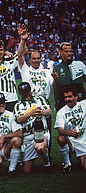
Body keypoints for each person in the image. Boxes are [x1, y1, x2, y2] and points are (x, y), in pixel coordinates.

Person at [17, 25, 54, 160]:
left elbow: (53, 84)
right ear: (30, 59)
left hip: (44, 103)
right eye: (34, 58)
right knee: (28, 130)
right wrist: (23, 40)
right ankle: (25, 156)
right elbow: (20, 54)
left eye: (38, 58)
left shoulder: (45, 71)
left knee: (46, 130)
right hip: (29, 103)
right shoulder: (25, 70)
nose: (37, 60)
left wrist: (55, 78)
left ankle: (46, 156)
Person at [14, 82, 53, 174]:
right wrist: (30, 113)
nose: (26, 95)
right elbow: (19, 119)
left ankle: (47, 164)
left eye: (27, 92)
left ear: (30, 91)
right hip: (28, 136)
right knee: (27, 171)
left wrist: (42, 112)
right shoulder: (18, 105)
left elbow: (49, 111)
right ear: (20, 94)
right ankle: (31, 159)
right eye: (24, 93)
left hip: (41, 132)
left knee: (39, 147)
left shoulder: (39, 99)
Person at [54, 87, 86, 172]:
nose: (67, 99)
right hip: (71, 141)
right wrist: (70, 133)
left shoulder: (84, 105)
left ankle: (80, 160)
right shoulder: (61, 112)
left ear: (76, 97)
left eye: (70, 96)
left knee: (84, 167)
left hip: (83, 140)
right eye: (65, 97)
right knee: (61, 138)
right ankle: (67, 164)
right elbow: (60, 130)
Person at [52, 42, 86, 111]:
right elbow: (56, 87)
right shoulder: (57, 68)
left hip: (79, 99)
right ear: (61, 52)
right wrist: (55, 79)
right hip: (65, 101)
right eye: (66, 51)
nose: (69, 53)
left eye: (70, 51)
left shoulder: (80, 65)